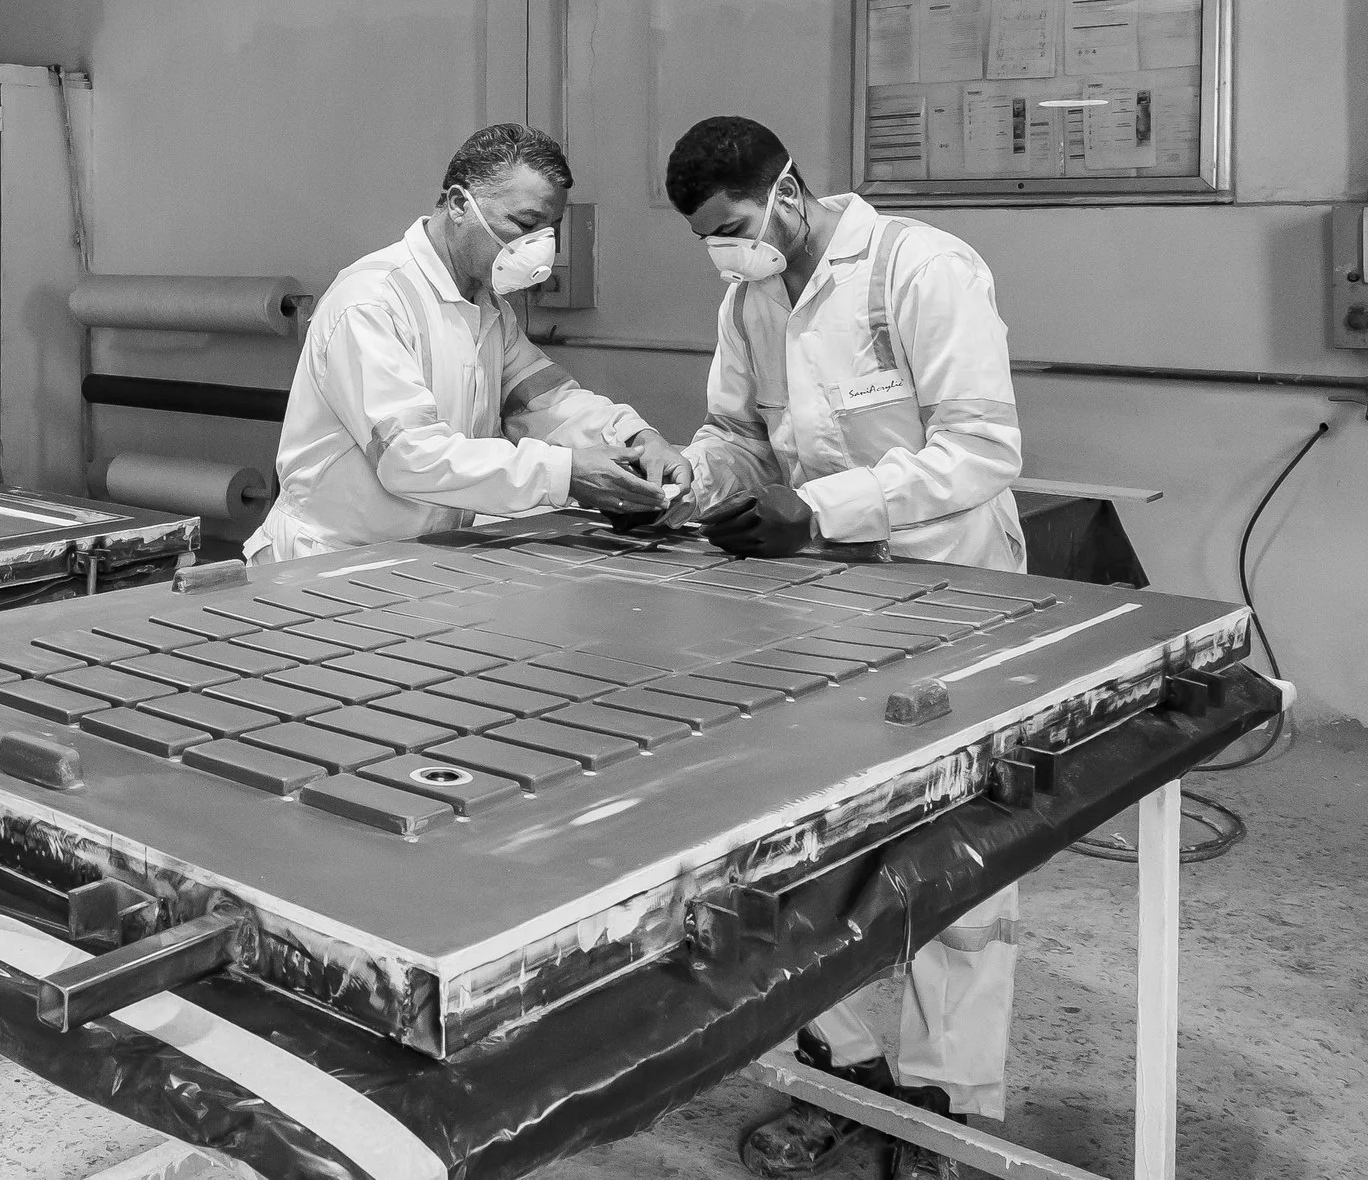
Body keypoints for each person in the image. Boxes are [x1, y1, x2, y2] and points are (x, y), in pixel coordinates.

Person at [663, 116, 1024, 1180]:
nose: (726, 249)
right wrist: (685, 478)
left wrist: (817, 507)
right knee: (807, 840)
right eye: (710, 237)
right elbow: (737, 434)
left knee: (958, 846)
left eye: (734, 225)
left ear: (787, 190)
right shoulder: (750, 299)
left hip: (950, 592)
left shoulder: (922, 269)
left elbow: (982, 448)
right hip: (821, 600)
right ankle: (839, 1067)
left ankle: (947, 1105)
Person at [247, 123, 684, 561]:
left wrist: (636, 439)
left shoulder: (487, 307)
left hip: (421, 556)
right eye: (525, 224)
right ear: (459, 204)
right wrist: (563, 474)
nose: (540, 249)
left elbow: (547, 403)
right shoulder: (371, 302)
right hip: (329, 561)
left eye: (550, 230)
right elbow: (408, 456)